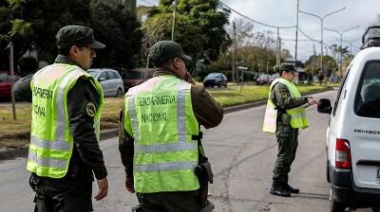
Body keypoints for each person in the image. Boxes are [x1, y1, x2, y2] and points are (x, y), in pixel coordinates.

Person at [118, 40, 223, 212]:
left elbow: (125, 143)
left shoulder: (132, 96)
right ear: (176, 62)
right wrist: (194, 87)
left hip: (147, 186)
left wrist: (130, 174)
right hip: (184, 186)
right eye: (183, 61)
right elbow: (216, 116)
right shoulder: (189, 92)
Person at [14, 25, 109, 211]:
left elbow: (18, 88)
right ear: (75, 50)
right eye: (90, 49)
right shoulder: (78, 81)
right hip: (70, 177)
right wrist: (100, 172)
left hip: (42, 174)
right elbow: (82, 131)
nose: (94, 55)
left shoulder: (43, 75)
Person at [262, 63, 318, 197]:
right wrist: (305, 99)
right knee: (284, 155)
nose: (295, 75)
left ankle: (283, 182)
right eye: (293, 73)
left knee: (290, 155)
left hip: (291, 125)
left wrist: (306, 103)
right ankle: (276, 185)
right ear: (284, 72)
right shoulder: (280, 85)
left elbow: (293, 105)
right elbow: (286, 102)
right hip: (284, 126)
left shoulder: (289, 84)